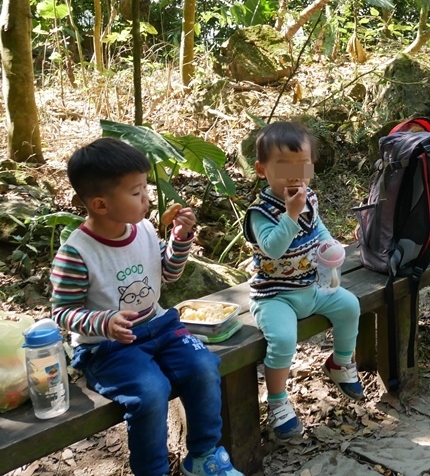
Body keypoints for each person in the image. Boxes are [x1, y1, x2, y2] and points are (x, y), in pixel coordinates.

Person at [50, 138, 243, 476]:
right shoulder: (76, 253)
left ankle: (203, 455)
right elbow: (63, 313)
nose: (148, 199)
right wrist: (104, 322)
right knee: (151, 391)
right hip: (108, 348)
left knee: (202, 366)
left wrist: (180, 239)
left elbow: (167, 274)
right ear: (100, 204)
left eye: (145, 189)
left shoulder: (142, 229)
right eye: (136, 192)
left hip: (159, 327)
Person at [243, 121, 362, 441]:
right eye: (285, 166)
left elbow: (318, 229)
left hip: (311, 285)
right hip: (274, 295)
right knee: (282, 340)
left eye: (303, 166)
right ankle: (278, 403)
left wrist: (330, 245)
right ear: (261, 169)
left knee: (350, 305)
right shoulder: (260, 212)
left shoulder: (308, 198)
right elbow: (273, 247)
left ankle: (340, 363)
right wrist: (291, 215)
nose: (296, 175)